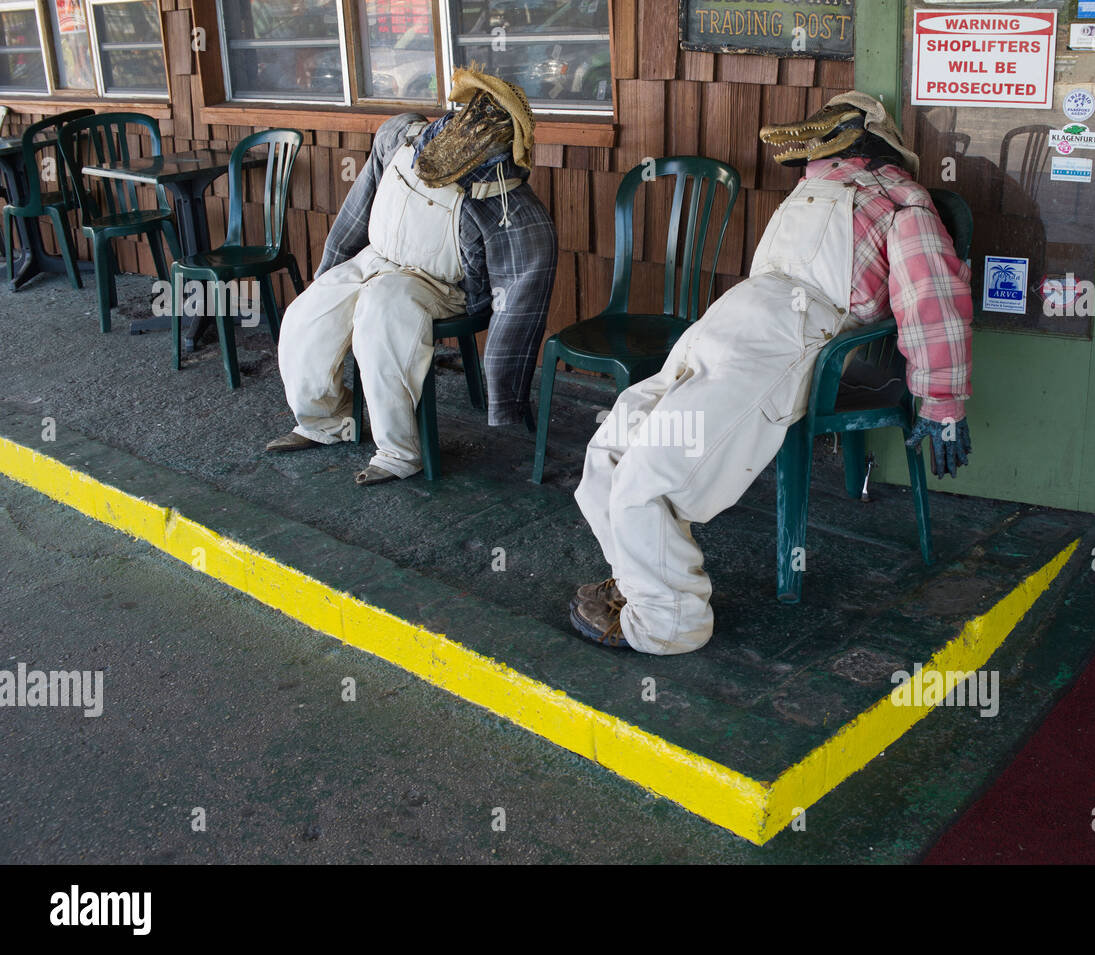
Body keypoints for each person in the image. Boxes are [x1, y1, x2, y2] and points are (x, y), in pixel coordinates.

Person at [570, 92, 974, 654]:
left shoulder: (904, 207)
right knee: (607, 453)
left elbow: (933, 303)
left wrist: (941, 403)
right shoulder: (811, 189)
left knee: (652, 476)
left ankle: (666, 625)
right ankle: (641, 583)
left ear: (870, 139)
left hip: (778, 349)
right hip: (719, 330)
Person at [265, 68, 558, 484]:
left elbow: (520, 300)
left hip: (439, 285)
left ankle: (399, 451)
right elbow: (361, 199)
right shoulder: (399, 137)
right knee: (308, 315)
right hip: (375, 257)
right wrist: (333, 263)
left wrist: (504, 390)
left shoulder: (511, 207)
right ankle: (324, 422)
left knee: (382, 322)